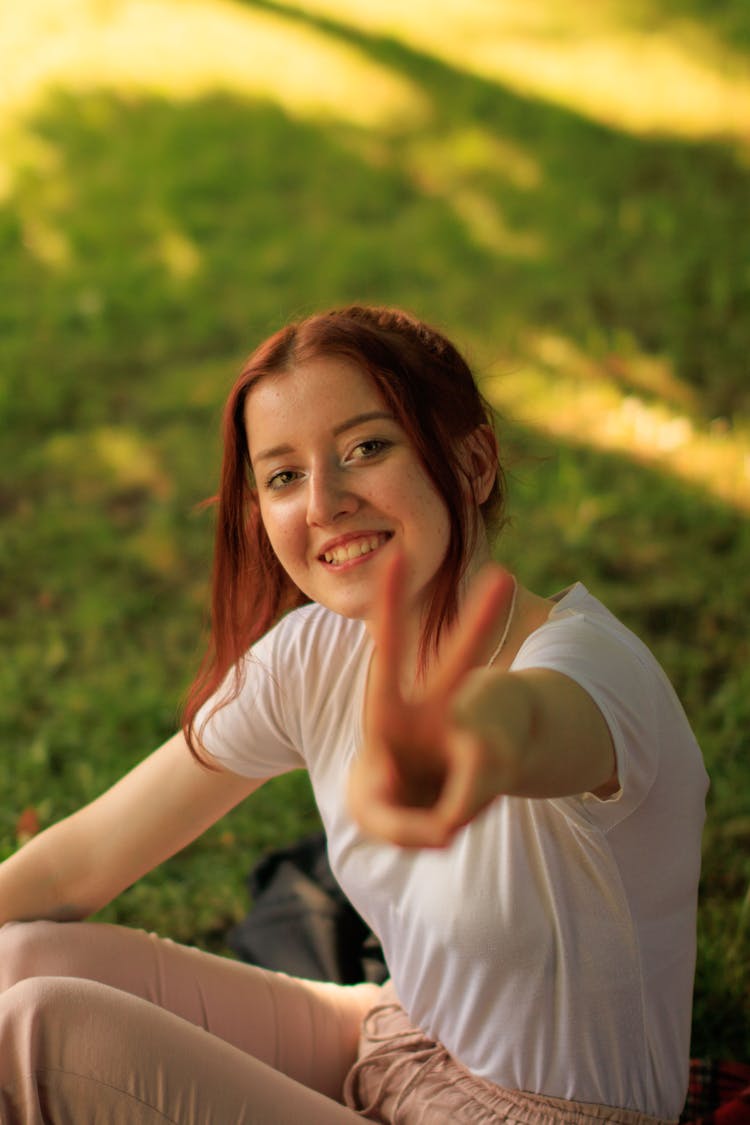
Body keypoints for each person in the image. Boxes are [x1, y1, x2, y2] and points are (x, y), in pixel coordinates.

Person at [0, 305, 708, 1124]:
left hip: (541, 1114)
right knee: (19, 958)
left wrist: (454, 745)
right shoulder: (319, 652)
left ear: (472, 462)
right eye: (283, 476)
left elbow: (529, 724)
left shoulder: (592, 666)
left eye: (366, 448)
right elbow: (77, 864)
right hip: (405, 1040)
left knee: (34, 1028)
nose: (325, 503)